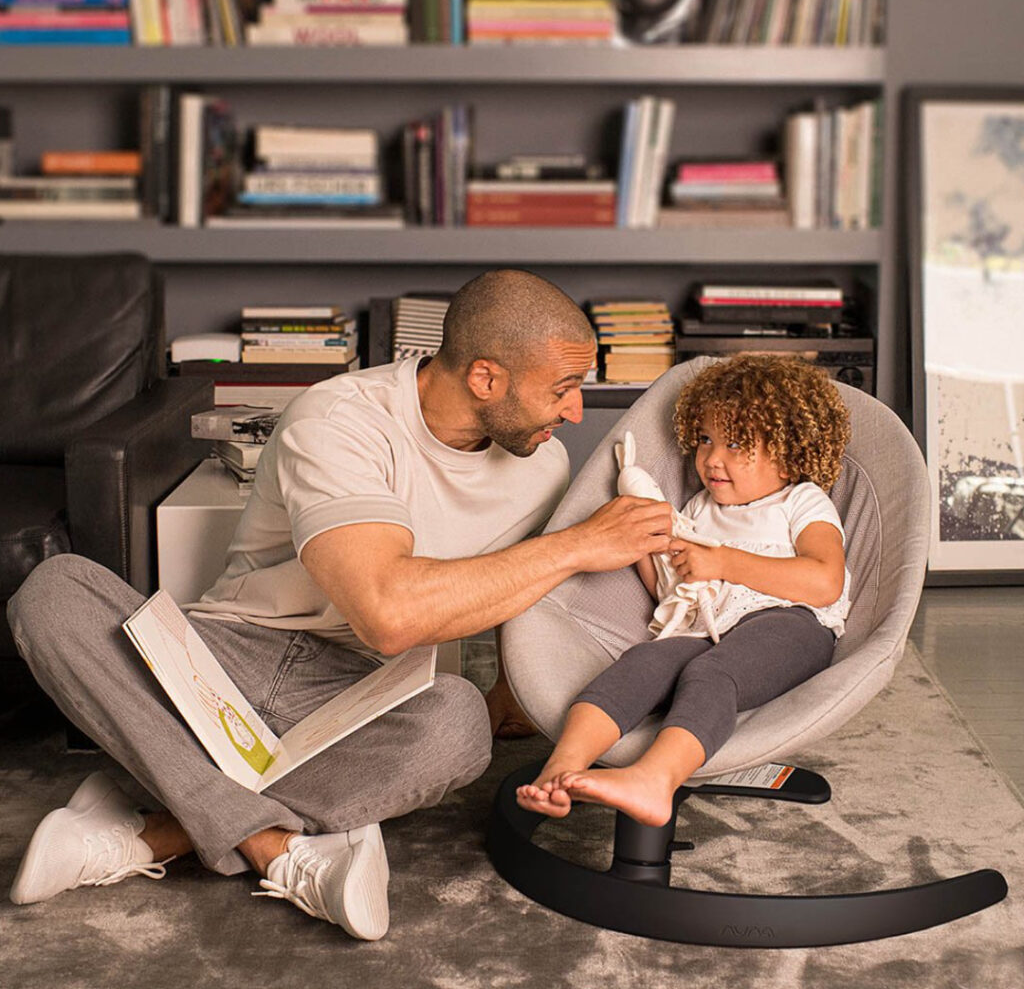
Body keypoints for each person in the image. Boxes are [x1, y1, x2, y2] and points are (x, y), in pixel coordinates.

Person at [6, 268, 676, 940]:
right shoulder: (338, 417)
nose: (575, 413)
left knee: (458, 723)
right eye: (562, 389)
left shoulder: (542, 464)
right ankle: (270, 849)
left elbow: (516, 588)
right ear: (485, 379)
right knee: (54, 592)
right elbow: (386, 616)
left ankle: (156, 825)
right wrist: (579, 544)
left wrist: (512, 689)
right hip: (229, 655)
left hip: (360, 693)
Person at [517, 353, 852, 828]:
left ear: (789, 452)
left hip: (791, 624)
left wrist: (724, 562)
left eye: (737, 444)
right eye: (705, 439)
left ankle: (654, 780)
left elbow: (824, 580)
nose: (712, 458)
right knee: (643, 662)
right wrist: (643, 551)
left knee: (712, 674)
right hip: (705, 626)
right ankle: (561, 771)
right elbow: (669, 593)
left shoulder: (800, 500)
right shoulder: (698, 507)